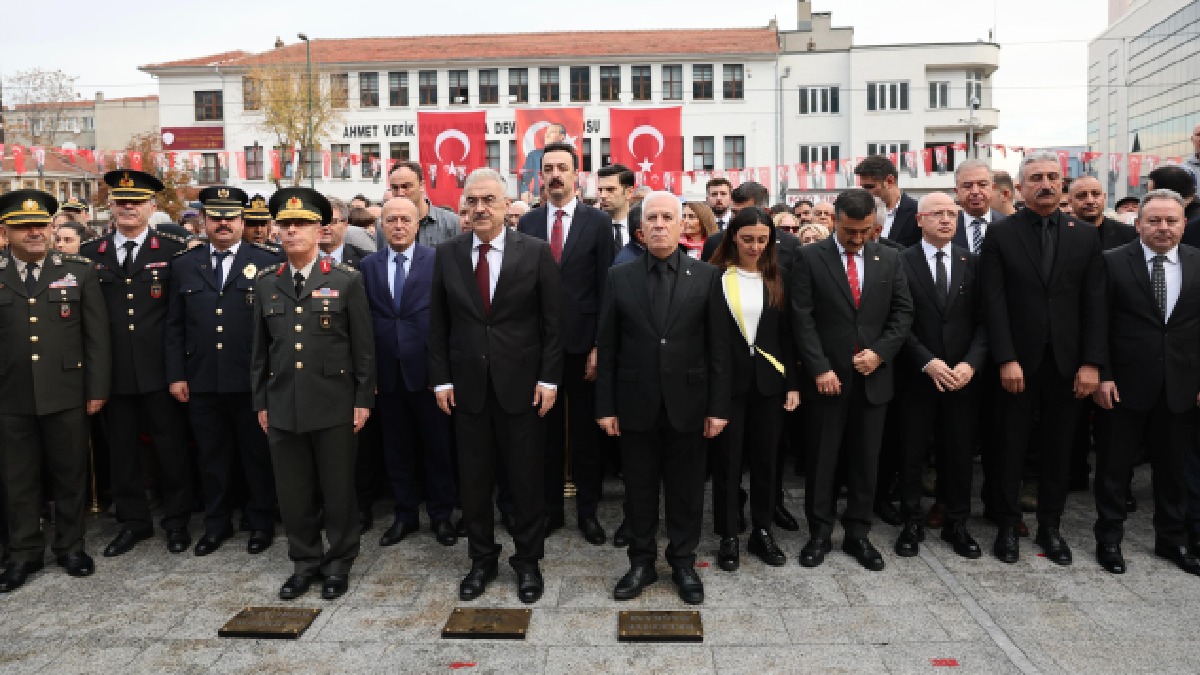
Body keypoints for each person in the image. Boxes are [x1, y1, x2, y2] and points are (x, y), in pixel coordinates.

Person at [428, 168, 563, 604]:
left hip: (522, 387)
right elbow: (438, 324)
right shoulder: (447, 254)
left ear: (507, 206)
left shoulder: (536, 252)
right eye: (472, 200)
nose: (480, 208)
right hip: (466, 389)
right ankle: (482, 560)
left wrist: (548, 379)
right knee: (474, 481)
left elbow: (552, 324)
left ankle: (528, 561)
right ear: (463, 206)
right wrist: (441, 379)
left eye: (489, 199)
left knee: (525, 480)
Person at [595, 191, 730, 605]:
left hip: (689, 404)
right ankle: (641, 562)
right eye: (651, 217)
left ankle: (683, 561)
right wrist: (605, 406)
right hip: (635, 404)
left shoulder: (707, 277)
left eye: (666, 217)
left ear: (681, 225)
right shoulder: (620, 277)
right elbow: (609, 346)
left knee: (687, 490)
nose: (658, 224)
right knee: (638, 489)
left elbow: (718, 348)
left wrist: (718, 407)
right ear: (640, 228)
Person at [980, 150, 1105, 566]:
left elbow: (1094, 304)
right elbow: (992, 303)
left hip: (1068, 364)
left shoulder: (1084, 236)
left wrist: (1091, 363)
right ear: (1019, 187)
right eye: (1036, 178)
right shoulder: (1001, 234)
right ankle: (1006, 524)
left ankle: (1051, 527)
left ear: (1063, 184)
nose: (1046, 184)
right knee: (1008, 446)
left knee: (1058, 449)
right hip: (1017, 363)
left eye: (1053, 177)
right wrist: (1005, 358)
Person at [251, 187, 375, 601]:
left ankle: (339, 562)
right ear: (275, 231)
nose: (292, 232)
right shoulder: (268, 283)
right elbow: (259, 352)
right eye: (285, 225)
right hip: (283, 404)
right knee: (293, 491)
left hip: (335, 402)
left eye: (301, 224)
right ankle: (304, 561)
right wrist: (261, 402)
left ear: (320, 230)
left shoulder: (345, 280)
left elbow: (363, 348)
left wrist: (363, 399)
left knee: (338, 489)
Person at [790, 188, 914, 571]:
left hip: (873, 377)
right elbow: (801, 317)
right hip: (827, 379)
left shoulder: (890, 258)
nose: (857, 239)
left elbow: (903, 313)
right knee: (823, 459)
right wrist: (819, 368)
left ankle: (858, 533)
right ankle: (819, 533)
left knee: (866, 459)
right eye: (849, 231)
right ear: (835, 221)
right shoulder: (809, 257)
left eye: (865, 231)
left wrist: (880, 353)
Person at [0, 190, 110, 593]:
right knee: (18, 478)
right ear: (6, 232)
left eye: (39, 225)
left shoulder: (79, 271)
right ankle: (23, 553)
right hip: (10, 396)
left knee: (70, 473)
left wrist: (97, 388)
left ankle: (70, 546)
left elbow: (96, 338)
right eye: (22, 227)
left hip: (67, 392)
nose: (33, 232)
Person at [80, 170, 193, 558]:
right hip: (113, 371)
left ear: (152, 207)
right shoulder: (90, 255)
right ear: (109, 206)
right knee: (121, 451)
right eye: (120, 201)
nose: (128, 207)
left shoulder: (173, 252)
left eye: (137, 201)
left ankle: (177, 520)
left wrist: (178, 371)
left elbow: (178, 319)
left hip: (161, 370)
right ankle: (133, 522)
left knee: (170, 448)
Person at [165, 185, 281, 557]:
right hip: (202, 379)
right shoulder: (185, 264)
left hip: (250, 378)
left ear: (243, 220)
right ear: (204, 221)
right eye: (216, 217)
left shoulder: (266, 260)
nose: (223, 224)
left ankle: (260, 522)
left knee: (256, 456)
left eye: (231, 217)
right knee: (211, 458)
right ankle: (216, 525)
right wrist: (176, 374)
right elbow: (174, 326)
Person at [1093, 189, 1200, 576]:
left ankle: (1171, 539)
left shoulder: (1197, 262)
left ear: (1184, 224)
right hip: (1122, 384)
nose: (1163, 228)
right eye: (1154, 220)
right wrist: (1102, 374)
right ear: (1137, 224)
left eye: (1171, 220)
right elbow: (1097, 324)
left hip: (1180, 386)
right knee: (1113, 468)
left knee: (1173, 470)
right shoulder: (1112, 263)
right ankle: (1108, 538)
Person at [517, 143, 615, 544]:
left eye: (563, 168)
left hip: (583, 347)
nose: (555, 174)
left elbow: (607, 287)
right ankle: (551, 511)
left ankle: (588, 513)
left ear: (577, 174)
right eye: (549, 168)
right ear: (541, 175)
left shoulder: (597, 222)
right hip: (539, 349)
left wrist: (598, 346)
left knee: (586, 436)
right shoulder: (528, 224)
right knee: (545, 435)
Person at [894, 192, 988, 559]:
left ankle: (957, 521)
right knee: (912, 452)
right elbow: (896, 320)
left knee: (959, 451)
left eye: (952, 214)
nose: (946, 220)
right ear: (920, 220)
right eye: (937, 214)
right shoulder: (900, 261)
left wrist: (971, 363)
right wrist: (925, 361)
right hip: (917, 375)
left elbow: (985, 320)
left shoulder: (974, 262)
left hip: (963, 376)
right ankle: (911, 521)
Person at [362, 197, 457, 548]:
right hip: (387, 376)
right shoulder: (368, 266)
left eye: (405, 219)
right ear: (380, 226)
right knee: (396, 449)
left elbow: (449, 320)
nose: (398, 226)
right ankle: (405, 516)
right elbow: (364, 323)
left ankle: (442, 515)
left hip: (430, 375)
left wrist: (445, 372)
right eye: (391, 220)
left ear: (418, 224)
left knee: (438, 448)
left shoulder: (438, 261)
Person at [707, 207, 799, 572]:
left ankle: (762, 530)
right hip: (727, 385)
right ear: (732, 238)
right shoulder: (714, 277)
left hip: (770, 384)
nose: (755, 247)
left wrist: (792, 384)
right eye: (747, 239)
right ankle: (728, 534)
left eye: (762, 240)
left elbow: (788, 336)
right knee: (727, 462)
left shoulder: (779, 277)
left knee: (767, 459)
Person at [388, 161, 461, 246]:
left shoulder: (451, 223)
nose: (400, 193)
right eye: (395, 187)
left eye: (406, 186)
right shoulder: (384, 227)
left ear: (421, 185)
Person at [855, 155, 920, 248]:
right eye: (863, 187)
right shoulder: (861, 211)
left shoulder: (917, 212)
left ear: (890, 181)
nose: (865, 192)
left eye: (870, 187)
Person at [951, 159, 1002, 254]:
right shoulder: (947, 227)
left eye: (982, 185)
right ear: (957, 191)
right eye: (967, 186)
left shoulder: (1009, 226)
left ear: (993, 188)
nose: (975, 191)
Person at [520, 122, 566, 198]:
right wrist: (525, 192)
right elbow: (525, 179)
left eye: (552, 132)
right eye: (546, 132)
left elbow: (576, 180)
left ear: (562, 136)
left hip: (560, 198)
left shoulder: (568, 156)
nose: (547, 135)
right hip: (538, 199)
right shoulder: (534, 156)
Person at [320, 199, 370, 268]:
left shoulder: (365, 260)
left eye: (333, 222)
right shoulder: (302, 258)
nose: (325, 227)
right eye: (321, 222)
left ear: (345, 225)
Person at [596, 164, 635, 249]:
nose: (603, 195)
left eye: (610, 190)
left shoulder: (643, 229)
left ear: (629, 192)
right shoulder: (590, 228)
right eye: (600, 190)